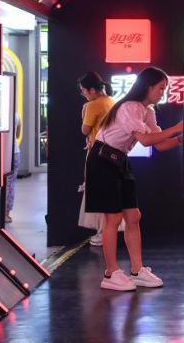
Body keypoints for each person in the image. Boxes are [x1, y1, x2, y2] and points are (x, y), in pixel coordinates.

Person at [85, 67, 184, 291]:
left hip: (120, 160)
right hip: (102, 160)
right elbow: (147, 140)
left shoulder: (147, 111)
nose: (163, 93)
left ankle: (137, 270)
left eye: (165, 89)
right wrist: (177, 128)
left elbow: (159, 144)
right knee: (113, 218)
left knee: (133, 216)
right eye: (160, 88)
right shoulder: (129, 107)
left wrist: (181, 137)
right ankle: (111, 274)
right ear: (147, 86)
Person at [76, 72, 118, 246]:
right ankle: (106, 232)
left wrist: (85, 110)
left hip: (97, 154)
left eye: (84, 91)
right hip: (112, 153)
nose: (84, 94)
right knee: (109, 195)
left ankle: (102, 233)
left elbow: (85, 130)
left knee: (99, 196)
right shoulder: (112, 101)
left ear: (92, 90)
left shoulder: (94, 105)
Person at [5, 113, 21, 224]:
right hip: (15, 152)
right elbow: (18, 134)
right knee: (10, 184)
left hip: (3, 152)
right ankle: (6, 214)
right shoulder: (16, 115)